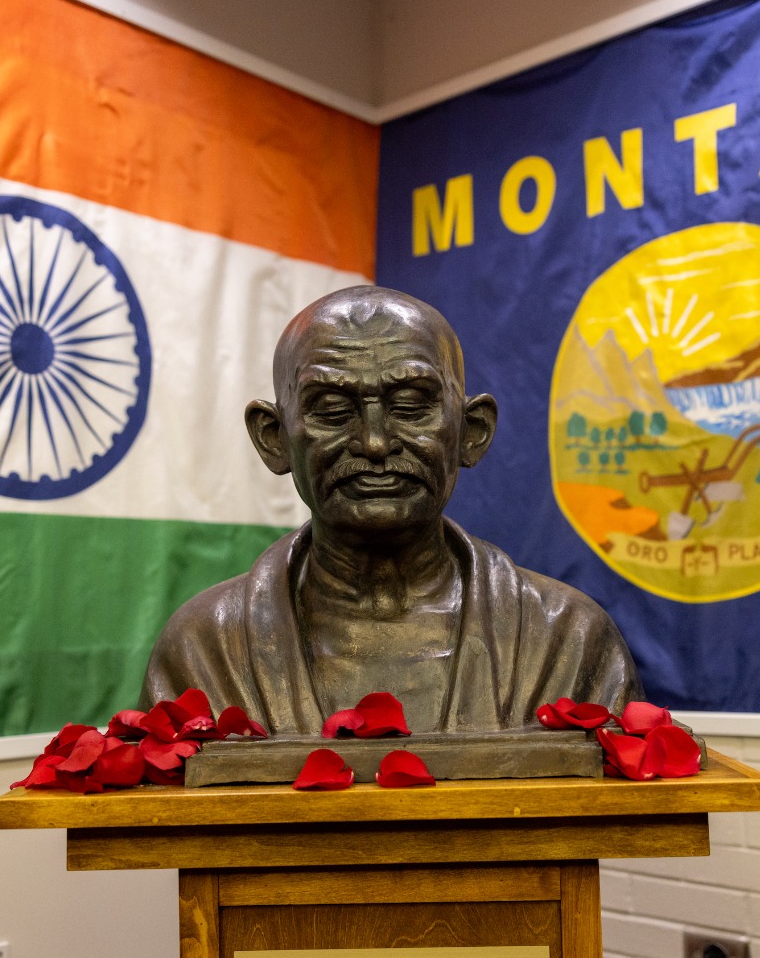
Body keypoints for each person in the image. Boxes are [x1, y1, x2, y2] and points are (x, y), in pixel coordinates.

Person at [142, 286, 639, 734]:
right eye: (333, 411)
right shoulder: (205, 648)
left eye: (410, 406)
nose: (375, 443)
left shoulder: (566, 637)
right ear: (273, 439)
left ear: (471, 431)